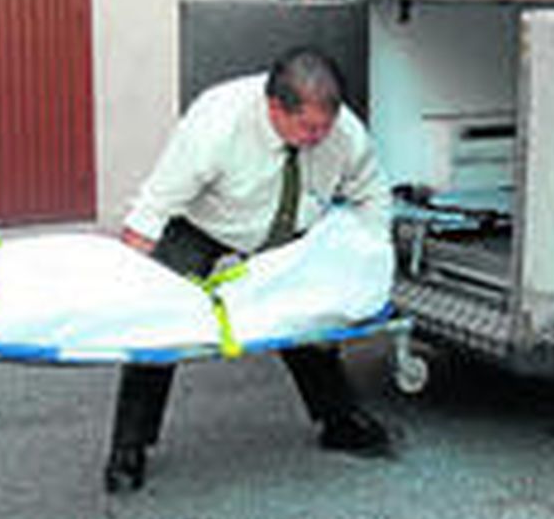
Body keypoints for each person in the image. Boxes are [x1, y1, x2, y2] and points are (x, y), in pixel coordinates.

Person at [105, 47, 394, 493]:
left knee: (308, 318)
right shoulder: (216, 124)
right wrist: (123, 289)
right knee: (159, 324)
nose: (320, 136)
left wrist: (376, 261)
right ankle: (129, 448)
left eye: (326, 126)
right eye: (309, 128)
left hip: (288, 229)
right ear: (275, 108)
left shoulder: (343, 131)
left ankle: (340, 422)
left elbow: (372, 193)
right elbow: (154, 207)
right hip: (204, 224)